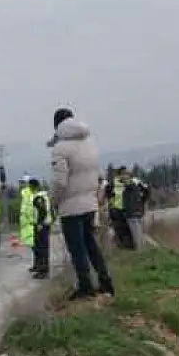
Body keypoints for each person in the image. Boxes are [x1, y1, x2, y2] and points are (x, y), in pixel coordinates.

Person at [49, 107, 115, 299]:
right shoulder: (89, 142)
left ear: (56, 125)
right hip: (89, 203)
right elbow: (97, 174)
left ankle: (85, 286)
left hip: (71, 206)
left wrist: (54, 201)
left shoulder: (60, 149)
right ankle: (106, 282)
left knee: (77, 248)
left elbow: (60, 182)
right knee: (91, 244)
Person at [28, 178, 54, 279]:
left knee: (42, 247)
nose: (29, 188)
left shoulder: (39, 197)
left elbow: (42, 211)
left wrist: (39, 223)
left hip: (41, 225)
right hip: (43, 224)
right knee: (40, 246)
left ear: (33, 186)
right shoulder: (43, 195)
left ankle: (43, 270)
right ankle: (40, 267)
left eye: (30, 186)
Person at [18, 174, 36, 268]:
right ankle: (36, 264)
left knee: (34, 246)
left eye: (22, 182)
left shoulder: (28, 193)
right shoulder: (26, 193)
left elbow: (29, 208)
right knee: (33, 245)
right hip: (28, 223)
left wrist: (29, 219)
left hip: (30, 223)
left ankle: (37, 264)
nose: (20, 184)